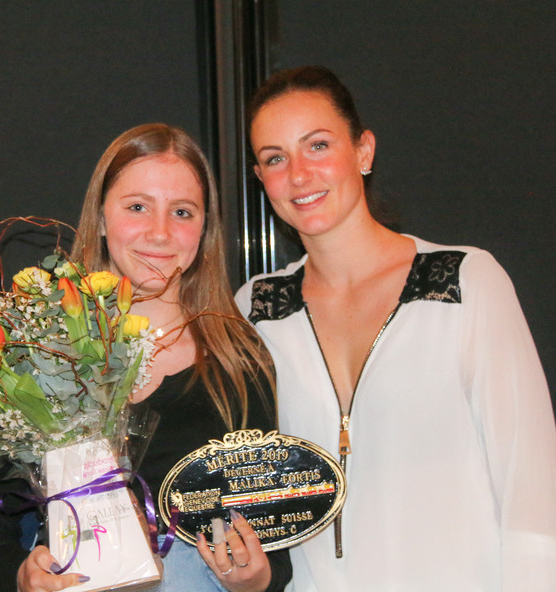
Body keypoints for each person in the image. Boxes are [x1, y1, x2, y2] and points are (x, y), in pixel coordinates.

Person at [235, 65, 556, 591]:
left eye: (318, 145)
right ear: (261, 178)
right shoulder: (257, 308)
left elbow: (532, 485)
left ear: (363, 151)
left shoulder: (464, 281)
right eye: (275, 158)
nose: (298, 174)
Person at [0, 124, 292, 592]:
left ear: (205, 229)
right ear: (100, 218)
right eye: (137, 207)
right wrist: (20, 574)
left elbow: (277, 548)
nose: (160, 231)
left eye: (182, 212)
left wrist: (253, 579)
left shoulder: (239, 362)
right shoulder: (40, 350)